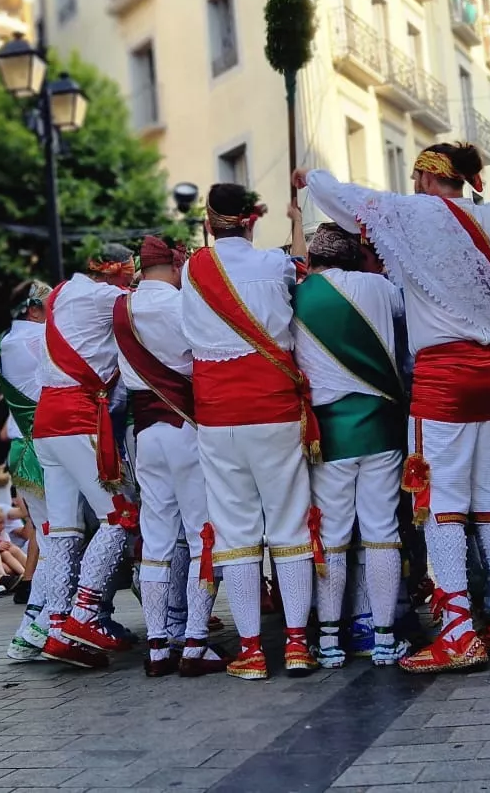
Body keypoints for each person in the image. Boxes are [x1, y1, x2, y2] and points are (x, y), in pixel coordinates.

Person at [294, 88, 490, 673]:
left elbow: (349, 202)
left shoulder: (415, 214)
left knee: (442, 506)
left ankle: (459, 629)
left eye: (415, 176)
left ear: (430, 178)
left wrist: (312, 177)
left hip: (444, 379)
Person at [178, 190, 320, 680]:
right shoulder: (274, 266)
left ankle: (253, 651)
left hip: (218, 415)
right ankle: (298, 644)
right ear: (252, 223)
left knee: (236, 533)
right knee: (290, 522)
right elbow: (298, 261)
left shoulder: (192, 270)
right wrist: (298, 218)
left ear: (209, 224)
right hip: (275, 407)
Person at [292, 224, 410, 666]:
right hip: (382, 424)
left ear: (313, 262)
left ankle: (328, 641)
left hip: (331, 432)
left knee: (333, 537)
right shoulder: (379, 287)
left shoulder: (299, 296)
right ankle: (382, 637)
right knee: (381, 531)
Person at [110, 235, 228, 677]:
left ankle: (159, 644)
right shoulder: (183, 306)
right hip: (186, 427)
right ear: (177, 265)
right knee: (202, 535)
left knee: (156, 539)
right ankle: (195, 642)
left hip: (145, 433)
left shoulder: (121, 307)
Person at [32, 244, 140, 670]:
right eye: (131, 273)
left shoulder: (60, 292)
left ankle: (57, 625)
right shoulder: (108, 298)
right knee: (120, 516)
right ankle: (84, 615)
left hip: (46, 417)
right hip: (78, 415)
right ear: (117, 273)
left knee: (63, 528)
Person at [0, 280, 55, 660]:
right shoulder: (34, 340)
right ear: (33, 309)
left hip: (28, 448)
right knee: (60, 537)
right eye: (49, 303)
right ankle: (40, 624)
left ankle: (45, 622)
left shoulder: (9, 341)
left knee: (53, 537)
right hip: (44, 449)